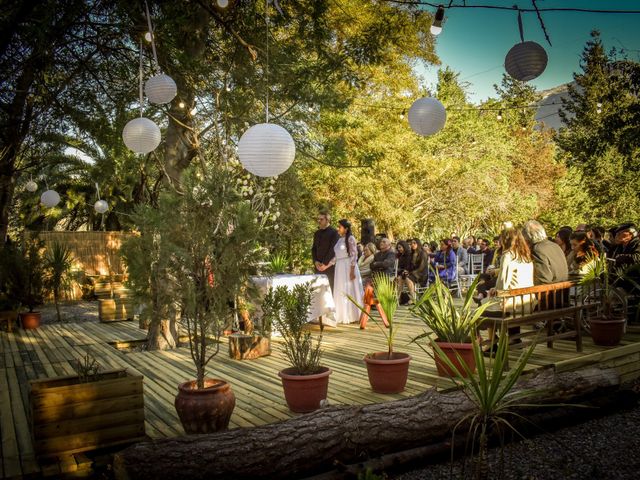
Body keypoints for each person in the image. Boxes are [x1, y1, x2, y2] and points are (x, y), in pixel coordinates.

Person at [483, 228, 535, 352]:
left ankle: (491, 343)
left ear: (506, 239)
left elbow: (503, 282)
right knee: (489, 301)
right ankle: (510, 338)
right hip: (528, 301)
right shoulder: (525, 254)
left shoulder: (508, 255)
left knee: (484, 306)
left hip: (513, 303)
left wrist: (494, 290)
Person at [320, 219, 363, 324]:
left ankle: (352, 315)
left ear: (346, 228)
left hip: (348, 266)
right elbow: (336, 257)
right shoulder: (339, 240)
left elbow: (354, 255)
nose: (338, 228)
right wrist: (326, 266)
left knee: (349, 289)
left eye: (340, 227)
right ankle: (341, 314)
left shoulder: (351, 239)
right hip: (339, 267)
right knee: (340, 289)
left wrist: (352, 271)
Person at [522, 220, 568, 286]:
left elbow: (542, 279)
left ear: (527, 238)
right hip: (562, 290)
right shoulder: (554, 245)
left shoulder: (537, 249)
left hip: (550, 292)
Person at [312, 212, 339, 291]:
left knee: (330, 290)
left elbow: (333, 250)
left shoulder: (334, 233)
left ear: (327, 220)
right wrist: (315, 261)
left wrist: (324, 264)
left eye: (321, 219)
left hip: (329, 267)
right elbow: (314, 249)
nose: (319, 221)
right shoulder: (316, 233)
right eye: (318, 219)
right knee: (318, 290)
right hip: (318, 267)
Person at [397, 238, 429, 304]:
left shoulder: (423, 253)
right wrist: (406, 271)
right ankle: (398, 298)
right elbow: (409, 266)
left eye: (414, 243)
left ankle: (413, 298)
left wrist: (410, 272)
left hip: (421, 274)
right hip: (412, 273)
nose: (412, 245)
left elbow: (421, 267)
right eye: (411, 243)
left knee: (408, 278)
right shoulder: (411, 254)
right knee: (400, 278)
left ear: (418, 244)